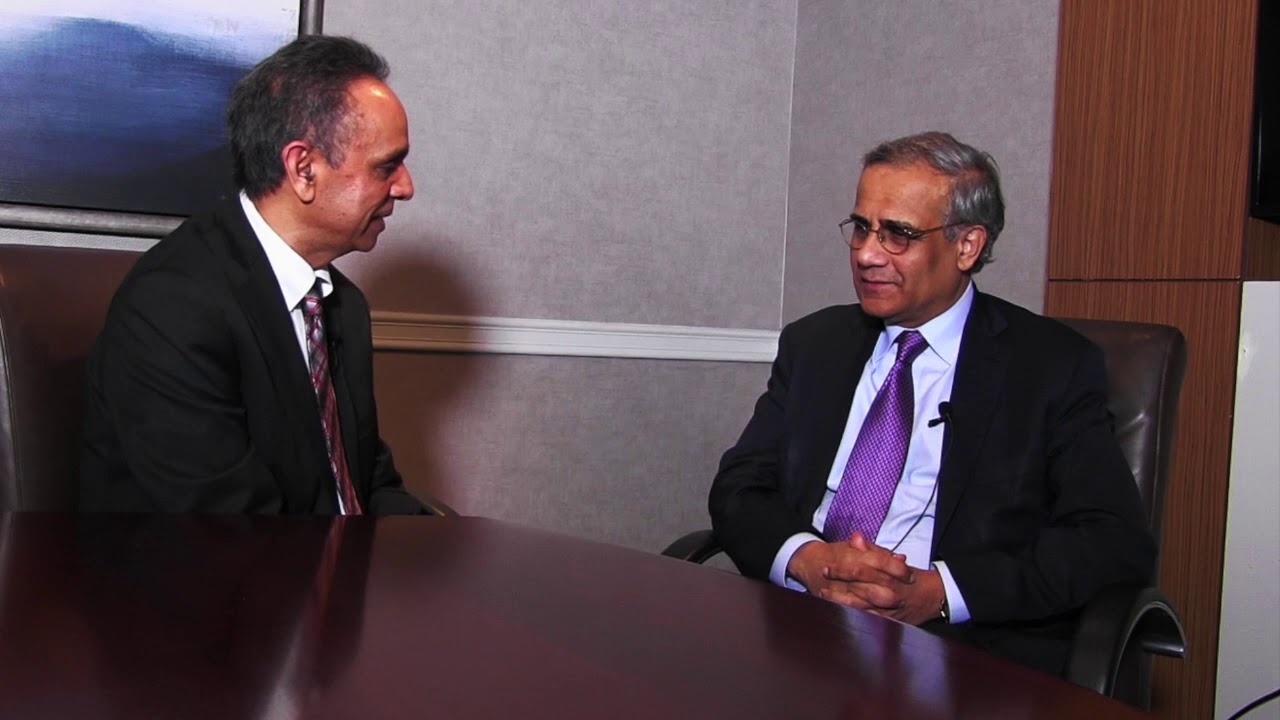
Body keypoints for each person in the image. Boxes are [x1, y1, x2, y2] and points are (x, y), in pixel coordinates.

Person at [708, 131, 1153, 674]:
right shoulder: (815, 344)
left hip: (956, 652)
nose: (867, 254)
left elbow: (1111, 541)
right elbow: (739, 487)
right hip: (798, 628)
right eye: (861, 228)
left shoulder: (1051, 366)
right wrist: (807, 558)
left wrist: (940, 592)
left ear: (967, 246)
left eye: (899, 234)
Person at [79, 36, 428, 514]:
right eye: (387, 166)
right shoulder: (171, 306)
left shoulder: (343, 305)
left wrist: (436, 544)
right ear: (303, 169)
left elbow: (368, 484)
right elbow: (228, 525)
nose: (405, 187)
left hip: (326, 557)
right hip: (213, 561)